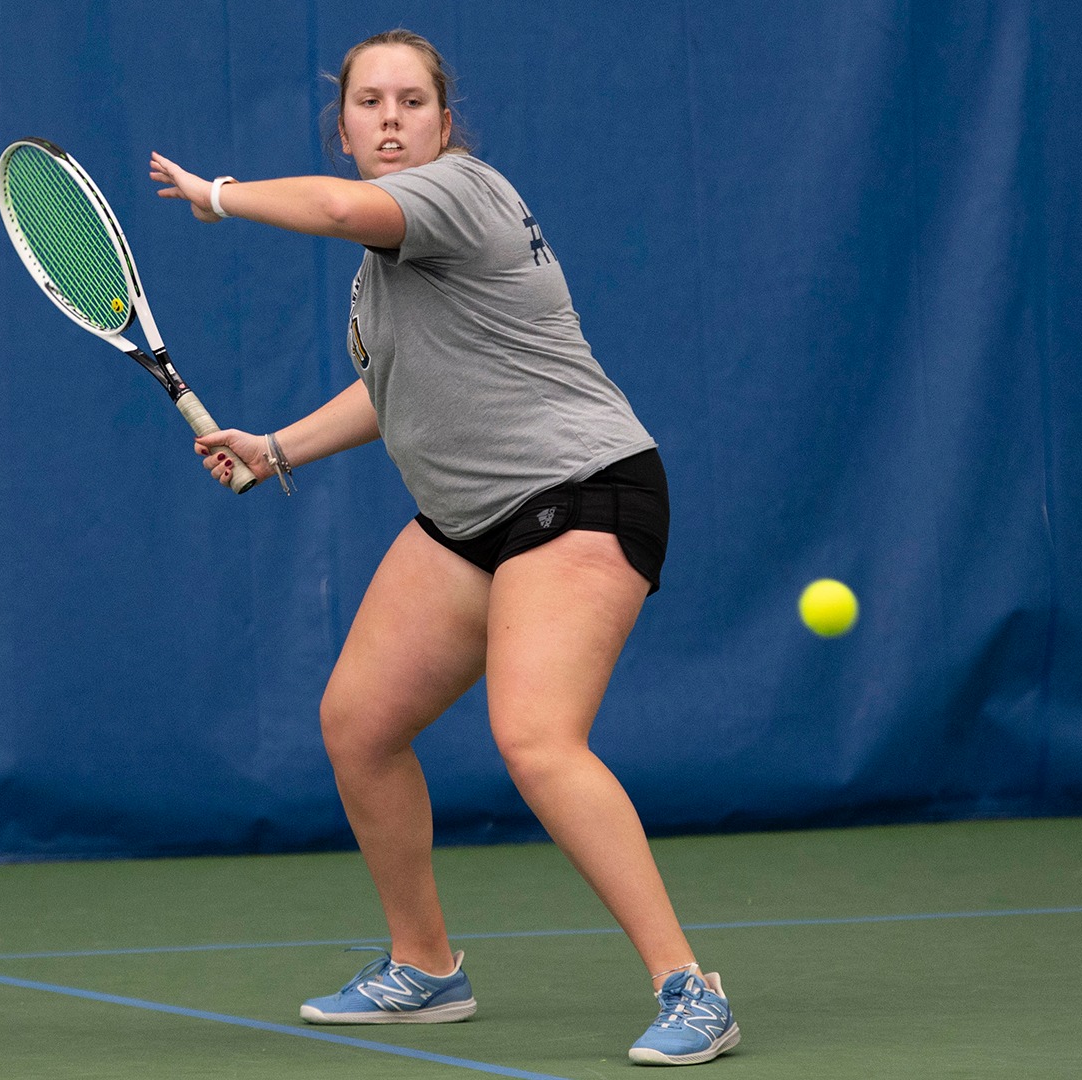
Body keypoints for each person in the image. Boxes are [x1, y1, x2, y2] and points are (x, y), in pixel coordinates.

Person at [150, 29, 739, 1067]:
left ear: (445, 122)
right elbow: (393, 392)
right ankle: (424, 969)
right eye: (369, 102)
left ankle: (691, 986)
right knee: (360, 723)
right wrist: (274, 447)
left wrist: (220, 193)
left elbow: (334, 210)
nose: (389, 118)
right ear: (341, 125)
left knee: (536, 739)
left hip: (585, 492)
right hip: (473, 518)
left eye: (411, 101)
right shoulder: (385, 279)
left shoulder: (457, 192)